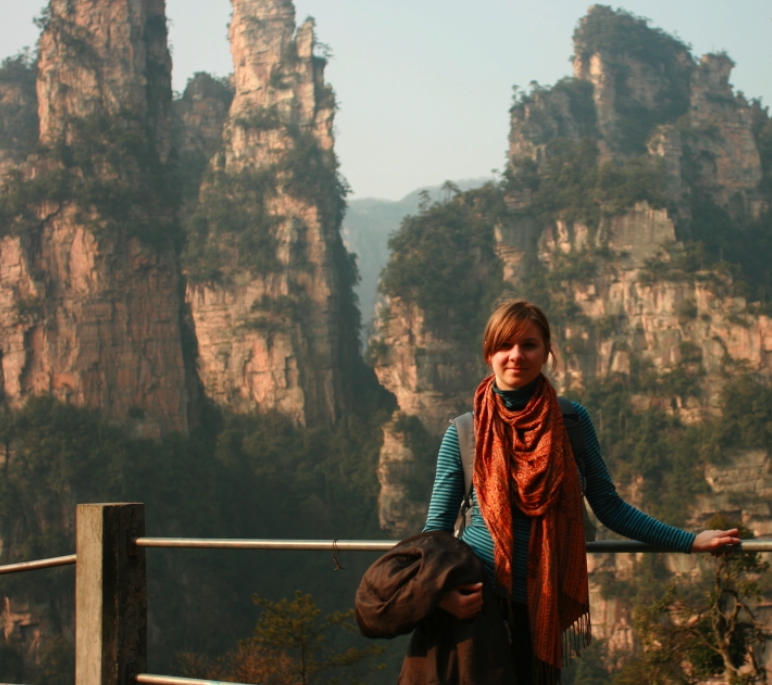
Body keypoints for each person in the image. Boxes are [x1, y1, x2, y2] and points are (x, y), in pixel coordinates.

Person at [423, 299, 740, 685]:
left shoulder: (571, 421)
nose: (516, 356)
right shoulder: (464, 432)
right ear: (489, 353)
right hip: (475, 599)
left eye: (529, 344)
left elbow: (609, 507)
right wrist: (441, 595)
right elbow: (436, 532)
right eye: (505, 345)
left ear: (547, 352)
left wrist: (690, 541)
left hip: (541, 602)